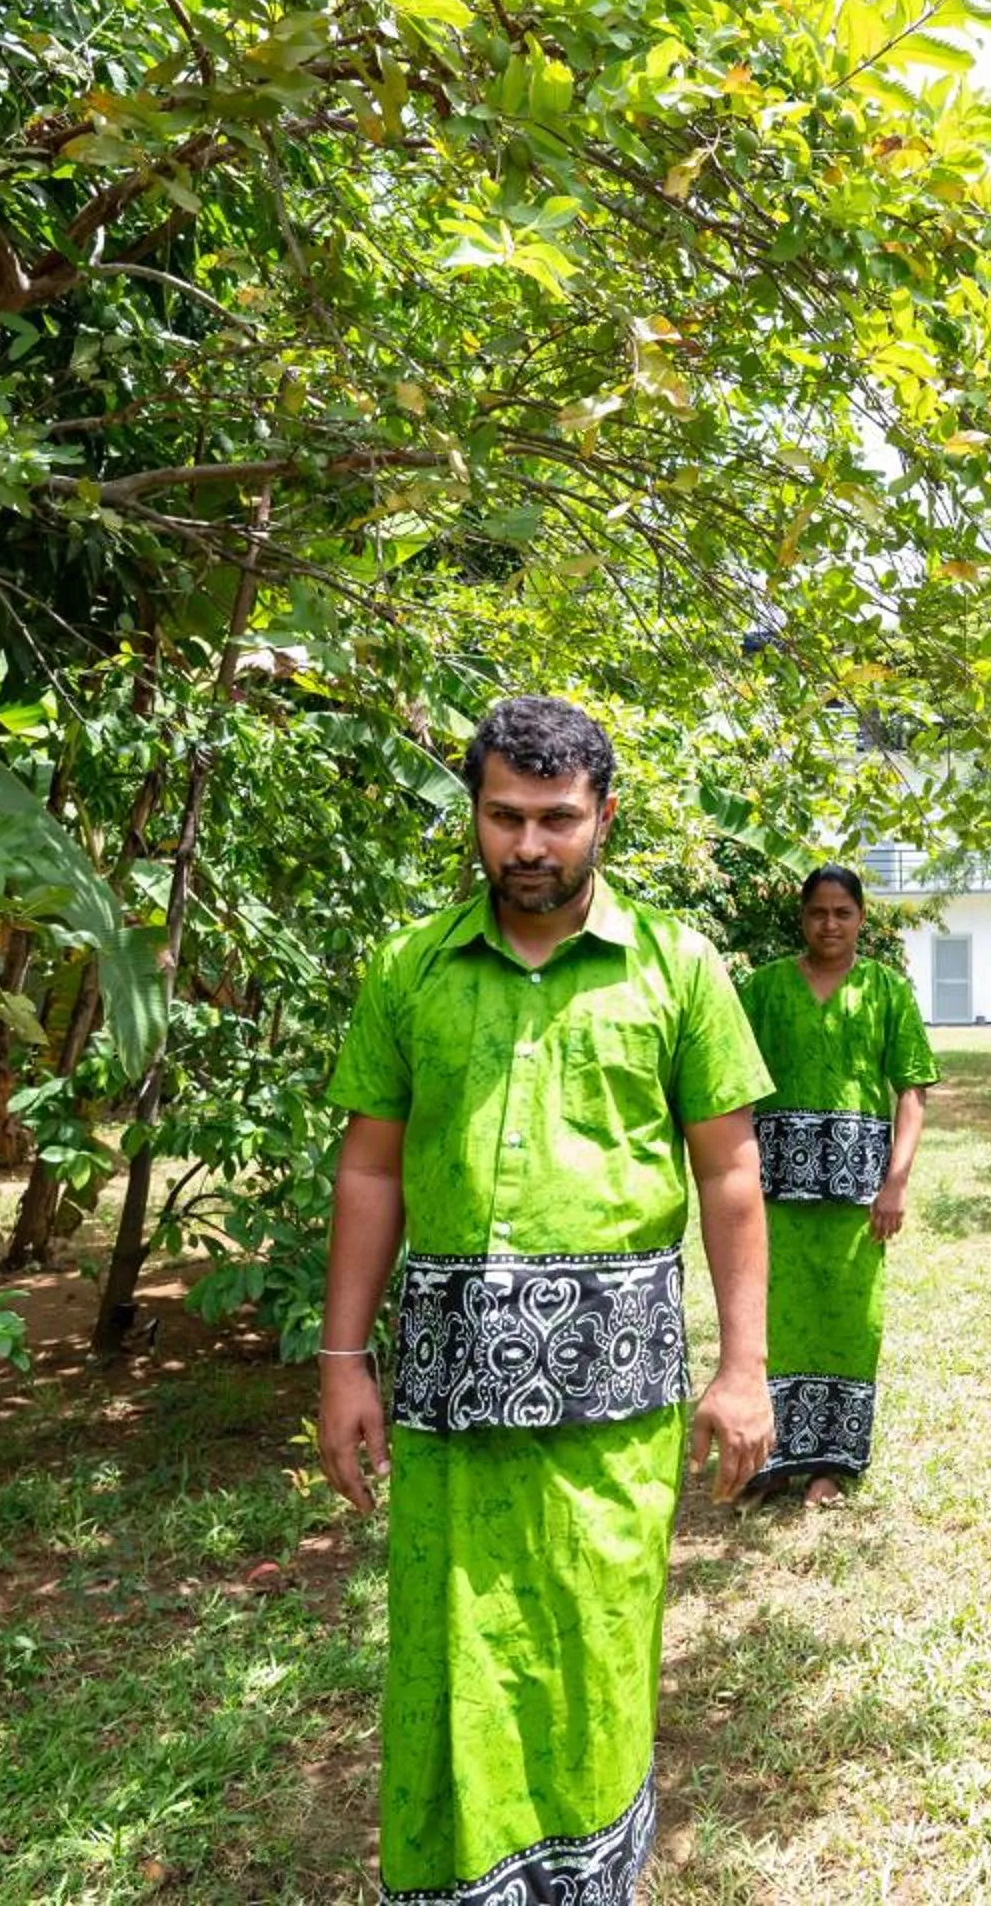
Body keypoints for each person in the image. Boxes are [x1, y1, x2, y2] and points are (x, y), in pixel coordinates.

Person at [313, 695, 776, 1906]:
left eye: (557, 819)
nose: (529, 845)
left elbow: (728, 1170)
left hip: (612, 1414)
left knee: (593, 1659)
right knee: (453, 1653)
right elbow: (370, 1167)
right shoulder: (411, 969)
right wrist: (343, 1358)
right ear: (472, 813)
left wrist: (743, 1366)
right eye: (504, 815)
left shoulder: (677, 967)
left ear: (605, 816)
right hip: (450, 1407)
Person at [735, 865, 939, 1505]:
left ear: (860, 919)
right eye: (818, 912)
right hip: (776, 1193)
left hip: (858, 1195)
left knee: (850, 1322)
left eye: (842, 913)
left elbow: (912, 1091)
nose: (829, 924)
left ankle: (832, 1463)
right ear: (803, 917)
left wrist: (895, 1183)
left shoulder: (886, 991)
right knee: (775, 1320)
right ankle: (769, 1461)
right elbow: (732, 1088)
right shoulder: (765, 989)